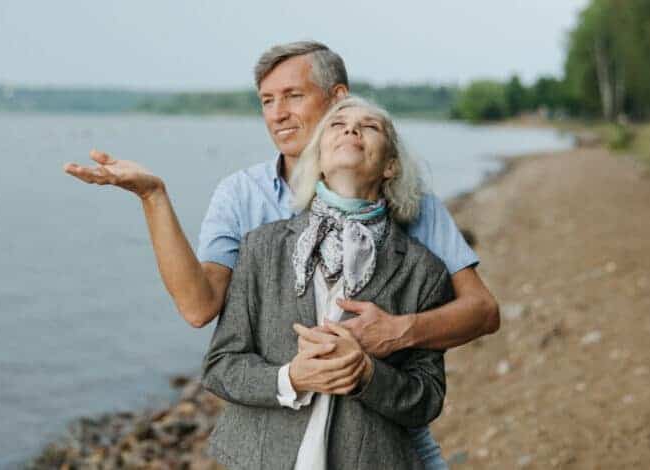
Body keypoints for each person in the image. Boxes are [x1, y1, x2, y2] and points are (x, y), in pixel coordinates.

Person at [63, 41, 500, 469]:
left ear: (337, 99)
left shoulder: (412, 213)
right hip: (270, 442)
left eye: (293, 96)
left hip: (384, 440)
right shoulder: (248, 208)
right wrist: (153, 197)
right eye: (267, 101)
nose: (277, 114)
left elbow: (481, 311)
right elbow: (201, 312)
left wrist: (395, 333)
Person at [203, 96, 452, 470]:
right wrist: (290, 377)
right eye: (337, 125)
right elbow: (220, 367)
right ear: (317, 160)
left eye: (369, 126)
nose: (351, 129)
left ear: (390, 166)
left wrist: (368, 374)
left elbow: (428, 399)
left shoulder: (424, 271)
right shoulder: (262, 247)